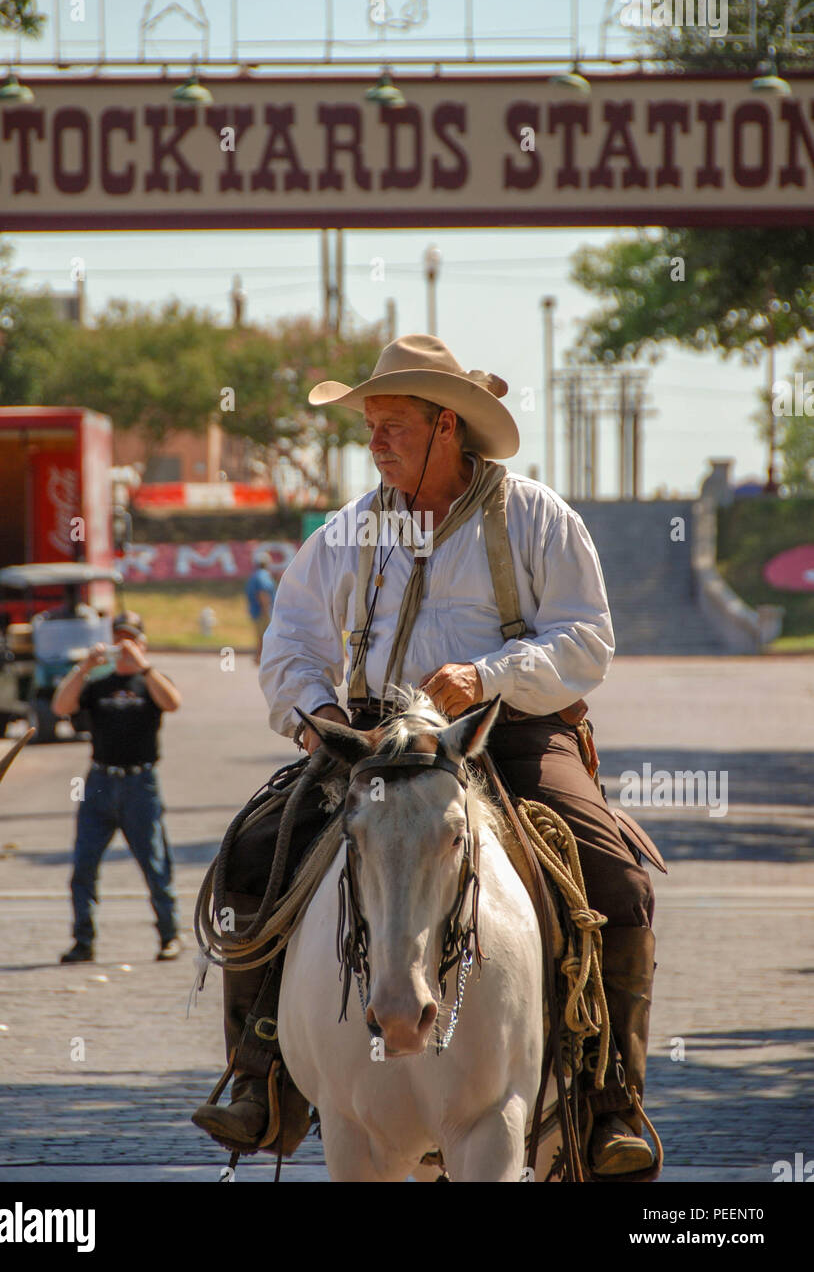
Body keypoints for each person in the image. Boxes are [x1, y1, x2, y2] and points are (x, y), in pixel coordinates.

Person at [192, 335, 658, 1179]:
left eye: (392, 424)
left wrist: (490, 674)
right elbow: (289, 645)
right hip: (369, 745)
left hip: (509, 733)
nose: (374, 442)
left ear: (449, 424)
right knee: (254, 853)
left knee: (615, 876)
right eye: (369, 425)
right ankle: (258, 1071)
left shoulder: (536, 517)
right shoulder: (347, 532)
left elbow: (587, 640)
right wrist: (320, 716)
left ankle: (611, 1096)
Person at [51, 611, 183, 964]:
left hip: (141, 783)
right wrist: (84, 668)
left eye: (131, 639)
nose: (124, 647)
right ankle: (83, 940)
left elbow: (173, 703)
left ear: (142, 644)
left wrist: (145, 667)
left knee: (155, 865)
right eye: (119, 639)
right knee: (83, 864)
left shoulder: (151, 682)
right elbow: (61, 706)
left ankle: (170, 935)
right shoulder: (98, 685)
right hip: (99, 782)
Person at [245, 553, 276, 665]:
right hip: (262, 611)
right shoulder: (263, 575)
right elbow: (263, 593)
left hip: (255, 610)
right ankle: (261, 657)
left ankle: (259, 657)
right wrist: (266, 610)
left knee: (260, 635)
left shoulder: (254, 575)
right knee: (265, 635)